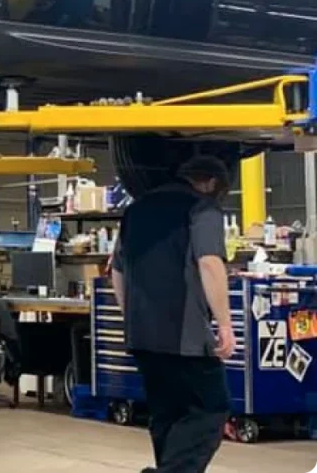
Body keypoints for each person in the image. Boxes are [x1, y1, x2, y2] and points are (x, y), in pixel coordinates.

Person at [112, 156, 235, 473]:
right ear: (210, 183)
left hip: (142, 336)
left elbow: (117, 272)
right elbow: (210, 263)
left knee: (167, 414)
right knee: (210, 409)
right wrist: (224, 324)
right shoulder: (202, 208)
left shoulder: (135, 210)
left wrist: (132, 317)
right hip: (185, 336)